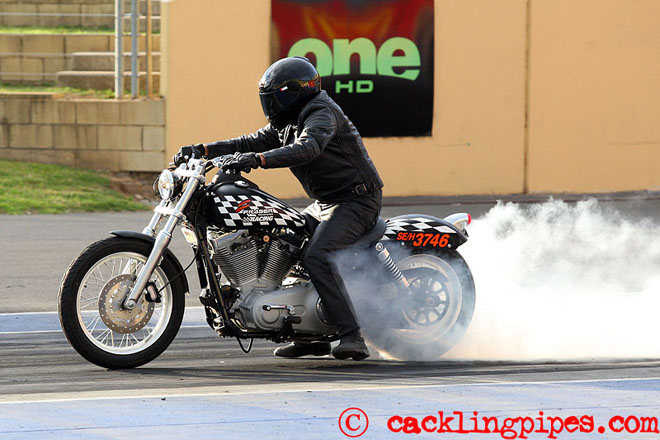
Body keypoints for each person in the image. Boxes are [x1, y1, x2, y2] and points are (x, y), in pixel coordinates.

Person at [173, 56, 383, 361]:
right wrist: (204, 150)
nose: (270, 104)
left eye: (275, 97)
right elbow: (250, 141)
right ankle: (310, 337)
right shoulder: (288, 121)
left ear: (294, 93)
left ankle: (352, 335)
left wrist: (259, 160)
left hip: (356, 201)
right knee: (285, 241)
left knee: (316, 255)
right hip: (325, 203)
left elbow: (308, 147)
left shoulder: (321, 113)